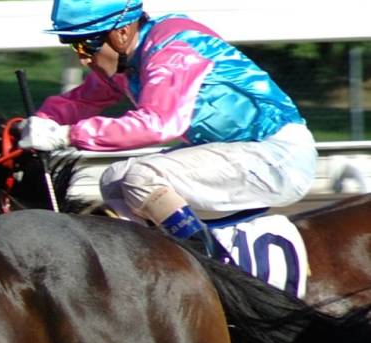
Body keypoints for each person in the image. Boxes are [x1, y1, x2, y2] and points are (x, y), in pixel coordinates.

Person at [21, 0, 315, 256]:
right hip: (236, 152)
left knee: (142, 177)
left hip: (278, 156)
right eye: (74, 45)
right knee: (114, 179)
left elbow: (158, 124)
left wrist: (67, 136)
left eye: (87, 44)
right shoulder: (126, 58)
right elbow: (84, 99)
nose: (82, 57)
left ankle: (208, 265)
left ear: (121, 33)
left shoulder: (172, 50)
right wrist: (34, 124)